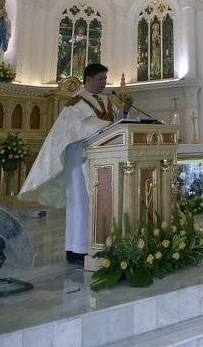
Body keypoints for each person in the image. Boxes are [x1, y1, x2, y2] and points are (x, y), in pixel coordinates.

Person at [18, 63, 132, 265]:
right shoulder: (76, 103)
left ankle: (98, 244)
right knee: (81, 203)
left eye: (105, 79)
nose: (104, 83)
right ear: (88, 80)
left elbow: (116, 125)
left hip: (101, 159)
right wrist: (112, 125)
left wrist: (124, 113)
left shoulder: (106, 101)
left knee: (99, 202)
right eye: (100, 79)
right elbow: (80, 126)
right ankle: (76, 249)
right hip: (79, 159)